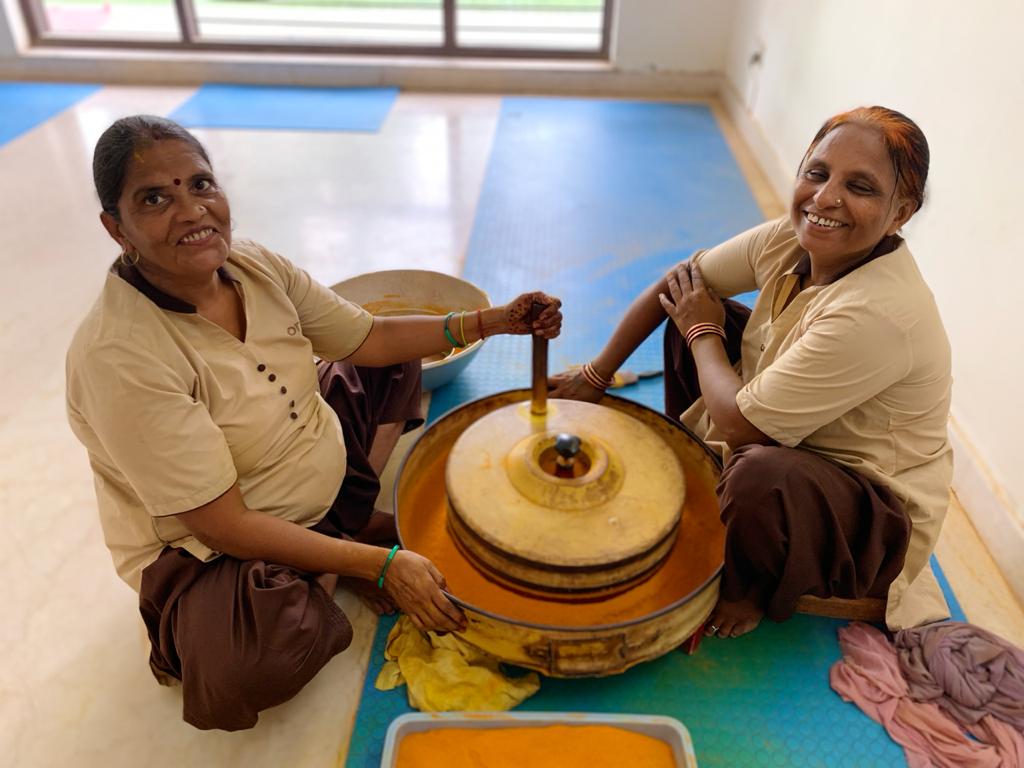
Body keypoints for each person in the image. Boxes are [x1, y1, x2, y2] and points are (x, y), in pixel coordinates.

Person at [65, 115, 562, 731]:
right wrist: (375, 565)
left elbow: (370, 337)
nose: (192, 211)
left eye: (201, 184)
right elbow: (221, 524)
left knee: (394, 359)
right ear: (117, 229)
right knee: (250, 663)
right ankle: (334, 549)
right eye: (155, 198)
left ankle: (330, 536)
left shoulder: (253, 266)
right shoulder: (122, 356)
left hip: (304, 461)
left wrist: (493, 321)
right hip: (215, 546)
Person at [551, 106, 952, 640]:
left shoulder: (879, 313)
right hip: (779, 433)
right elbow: (678, 284)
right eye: (817, 173)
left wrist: (704, 333)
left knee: (759, 473)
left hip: (869, 513)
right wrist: (595, 377)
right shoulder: (795, 235)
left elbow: (743, 429)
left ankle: (749, 588)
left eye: (860, 187)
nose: (826, 198)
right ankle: (710, 481)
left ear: (901, 213)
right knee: (691, 305)